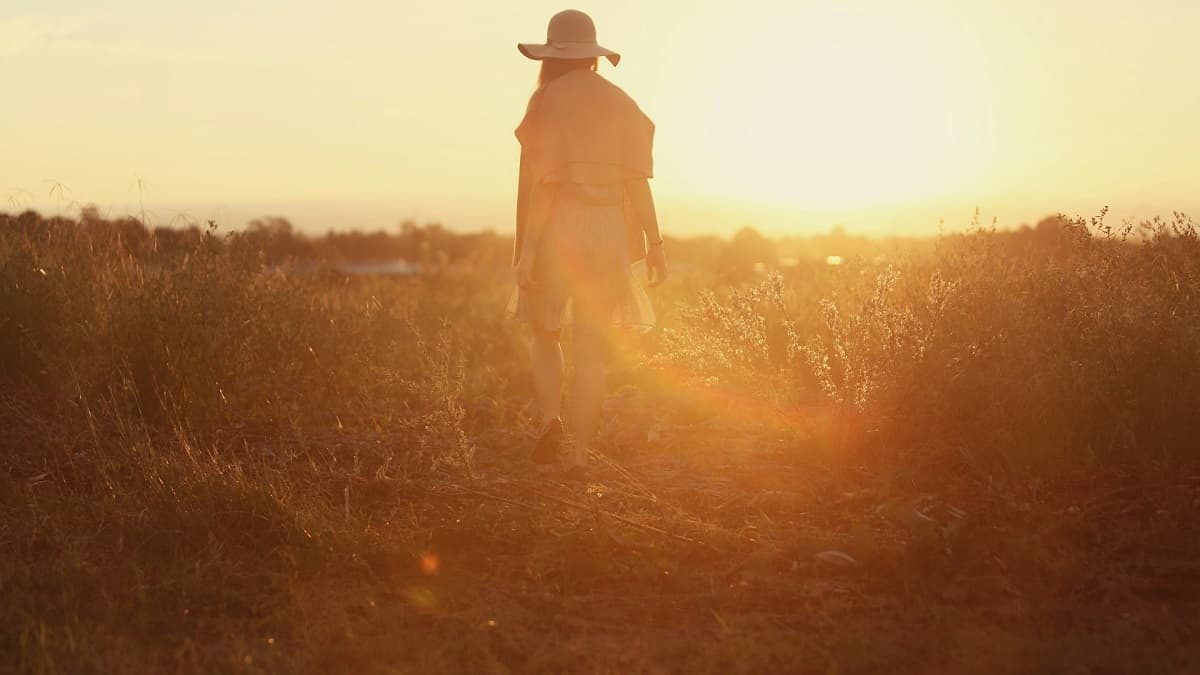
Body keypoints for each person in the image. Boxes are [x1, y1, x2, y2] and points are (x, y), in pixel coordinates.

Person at [508, 9, 668, 476]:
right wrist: (656, 245)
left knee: (545, 329)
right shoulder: (622, 102)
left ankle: (549, 420)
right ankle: (578, 455)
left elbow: (545, 187)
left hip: (560, 232)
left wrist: (529, 253)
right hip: (608, 232)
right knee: (592, 351)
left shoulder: (547, 101)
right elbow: (639, 183)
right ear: (593, 56)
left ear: (552, 56)